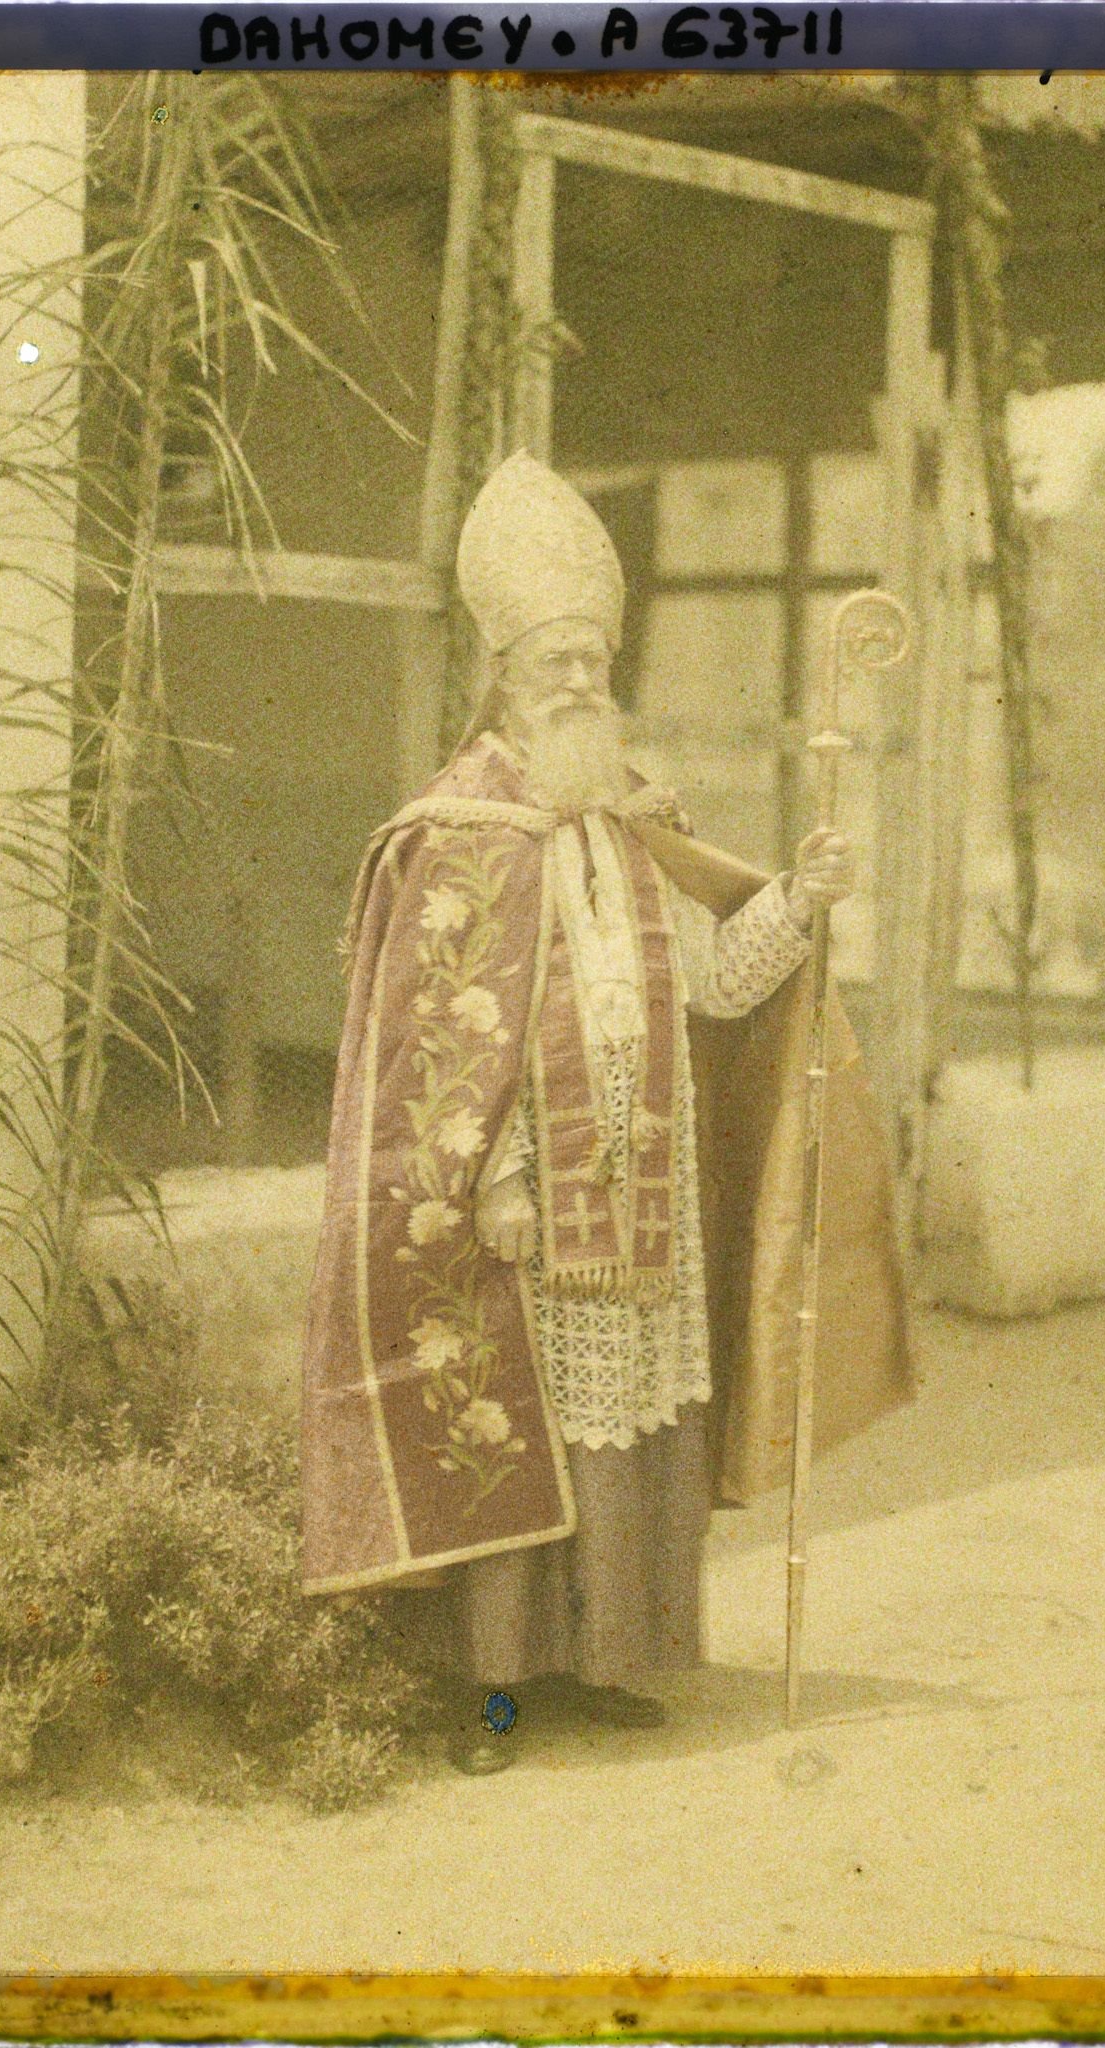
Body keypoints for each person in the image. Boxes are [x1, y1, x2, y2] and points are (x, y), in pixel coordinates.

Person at [300, 451, 909, 1774]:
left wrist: (797, 902)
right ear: (500, 681)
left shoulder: (635, 832)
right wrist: (503, 1175)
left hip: (644, 1208)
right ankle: (501, 1701)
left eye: (593, 662)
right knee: (514, 1449)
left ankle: (594, 1673)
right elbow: (445, 1046)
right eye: (551, 665)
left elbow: (712, 985)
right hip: (510, 1218)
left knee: (619, 1450)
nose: (579, 684)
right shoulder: (451, 835)